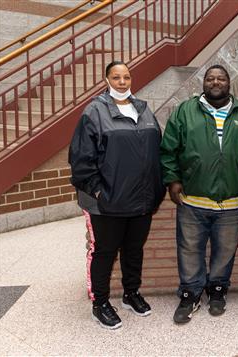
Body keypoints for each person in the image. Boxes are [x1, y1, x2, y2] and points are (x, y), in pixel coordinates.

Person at [69, 61, 165, 330]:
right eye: (116, 77)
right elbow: (81, 161)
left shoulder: (143, 110)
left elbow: (156, 149)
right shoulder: (94, 112)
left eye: (126, 77)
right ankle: (99, 303)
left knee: (134, 250)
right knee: (105, 252)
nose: (122, 82)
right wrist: (99, 191)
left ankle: (131, 293)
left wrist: (156, 189)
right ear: (106, 79)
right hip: (106, 203)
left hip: (142, 199)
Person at [160, 64, 238, 324]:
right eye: (210, 78)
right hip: (192, 200)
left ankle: (217, 291)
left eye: (221, 78)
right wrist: (173, 180)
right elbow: (168, 150)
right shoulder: (184, 111)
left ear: (229, 83)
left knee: (225, 250)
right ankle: (190, 294)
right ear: (203, 83)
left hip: (231, 202)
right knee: (190, 249)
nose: (215, 82)